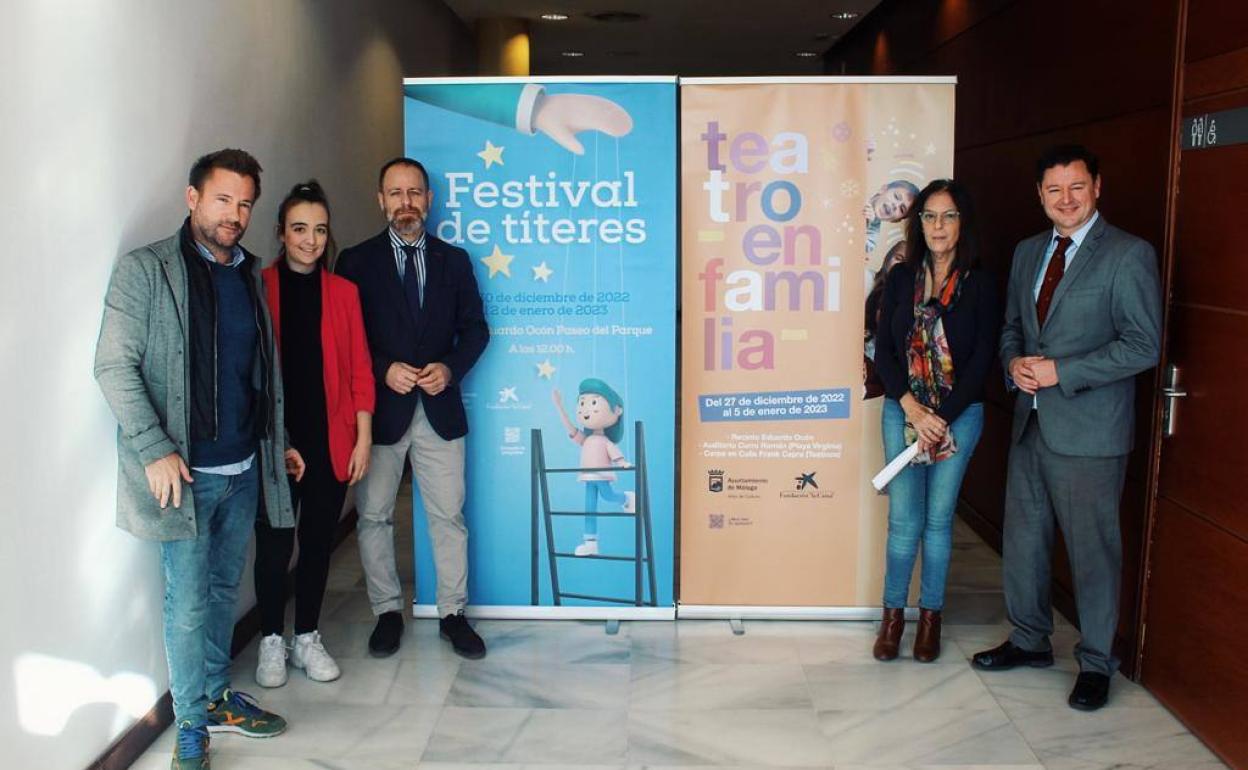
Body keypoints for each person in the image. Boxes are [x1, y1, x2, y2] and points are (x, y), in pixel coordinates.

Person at [94, 149, 297, 769]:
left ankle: (214, 697)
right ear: (192, 198)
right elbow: (112, 365)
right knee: (186, 606)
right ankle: (190, 727)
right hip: (183, 477)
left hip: (242, 469)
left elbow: (257, 373)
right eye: (223, 200)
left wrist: (275, 437)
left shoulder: (247, 275)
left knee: (220, 589)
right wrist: (155, 448)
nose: (234, 215)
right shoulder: (145, 271)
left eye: (244, 204)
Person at [972, 145, 1162, 711]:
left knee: (1092, 552)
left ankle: (1098, 662)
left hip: (1092, 431)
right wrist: (1012, 365)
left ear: (1097, 187)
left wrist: (1063, 371)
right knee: (1024, 542)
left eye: (1076, 187)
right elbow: (1012, 328)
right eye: (1054, 190)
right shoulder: (1030, 252)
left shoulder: (1128, 255)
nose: (1066, 199)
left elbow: (1143, 345)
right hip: (1032, 423)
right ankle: (1030, 640)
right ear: (1040, 196)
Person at [337, 157, 490, 660]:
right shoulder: (355, 263)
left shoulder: (455, 260)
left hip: (440, 409)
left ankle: (453, 614)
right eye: (395, 193)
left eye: (415, 192)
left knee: (448, 515)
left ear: (428, 199)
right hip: (379, 413)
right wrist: (383, 369)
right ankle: (386, 612)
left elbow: (476, 330)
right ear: (380, 200)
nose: (406, 202)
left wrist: (450, 367)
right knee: (375, 516)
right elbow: (347, 339)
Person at [253, 181, 375, 688]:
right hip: (277, 444)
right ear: (281, 232)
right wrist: (277, 442)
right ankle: (271, 642)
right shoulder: (256, 286)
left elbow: (360, 370)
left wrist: (363, 437)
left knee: (318, 542)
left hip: (332, 443)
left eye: (320, 230)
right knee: (275, 545)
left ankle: (306, 637)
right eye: (299, 228)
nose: (310, 240)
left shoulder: (344, 292)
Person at [871, 179, 999, 663]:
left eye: (948, 216)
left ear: (962, 223)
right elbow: (882, 349)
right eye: (929, 216)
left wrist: (939, 419)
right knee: (904, 523)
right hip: (901, 411)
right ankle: (892, 619)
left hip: (958, 417)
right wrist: (909, 406)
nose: (938, 226)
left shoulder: (981, 284)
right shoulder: (902, 278)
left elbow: (983, 357)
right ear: (917, 222)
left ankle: (931, 619)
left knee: (939, 523)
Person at [551, 379, 636, 557]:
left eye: (594, 402)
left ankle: (627, 498)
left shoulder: (605, 441)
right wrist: (559, 406)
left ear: (617, 410)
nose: (585, 409)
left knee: (608, 496)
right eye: (582, 403)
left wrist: (623, 463)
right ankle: (590, 543)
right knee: (589, 509)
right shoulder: (585, 439)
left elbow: (616, 455)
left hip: (601, 476)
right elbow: (570, 428)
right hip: (588, 478)